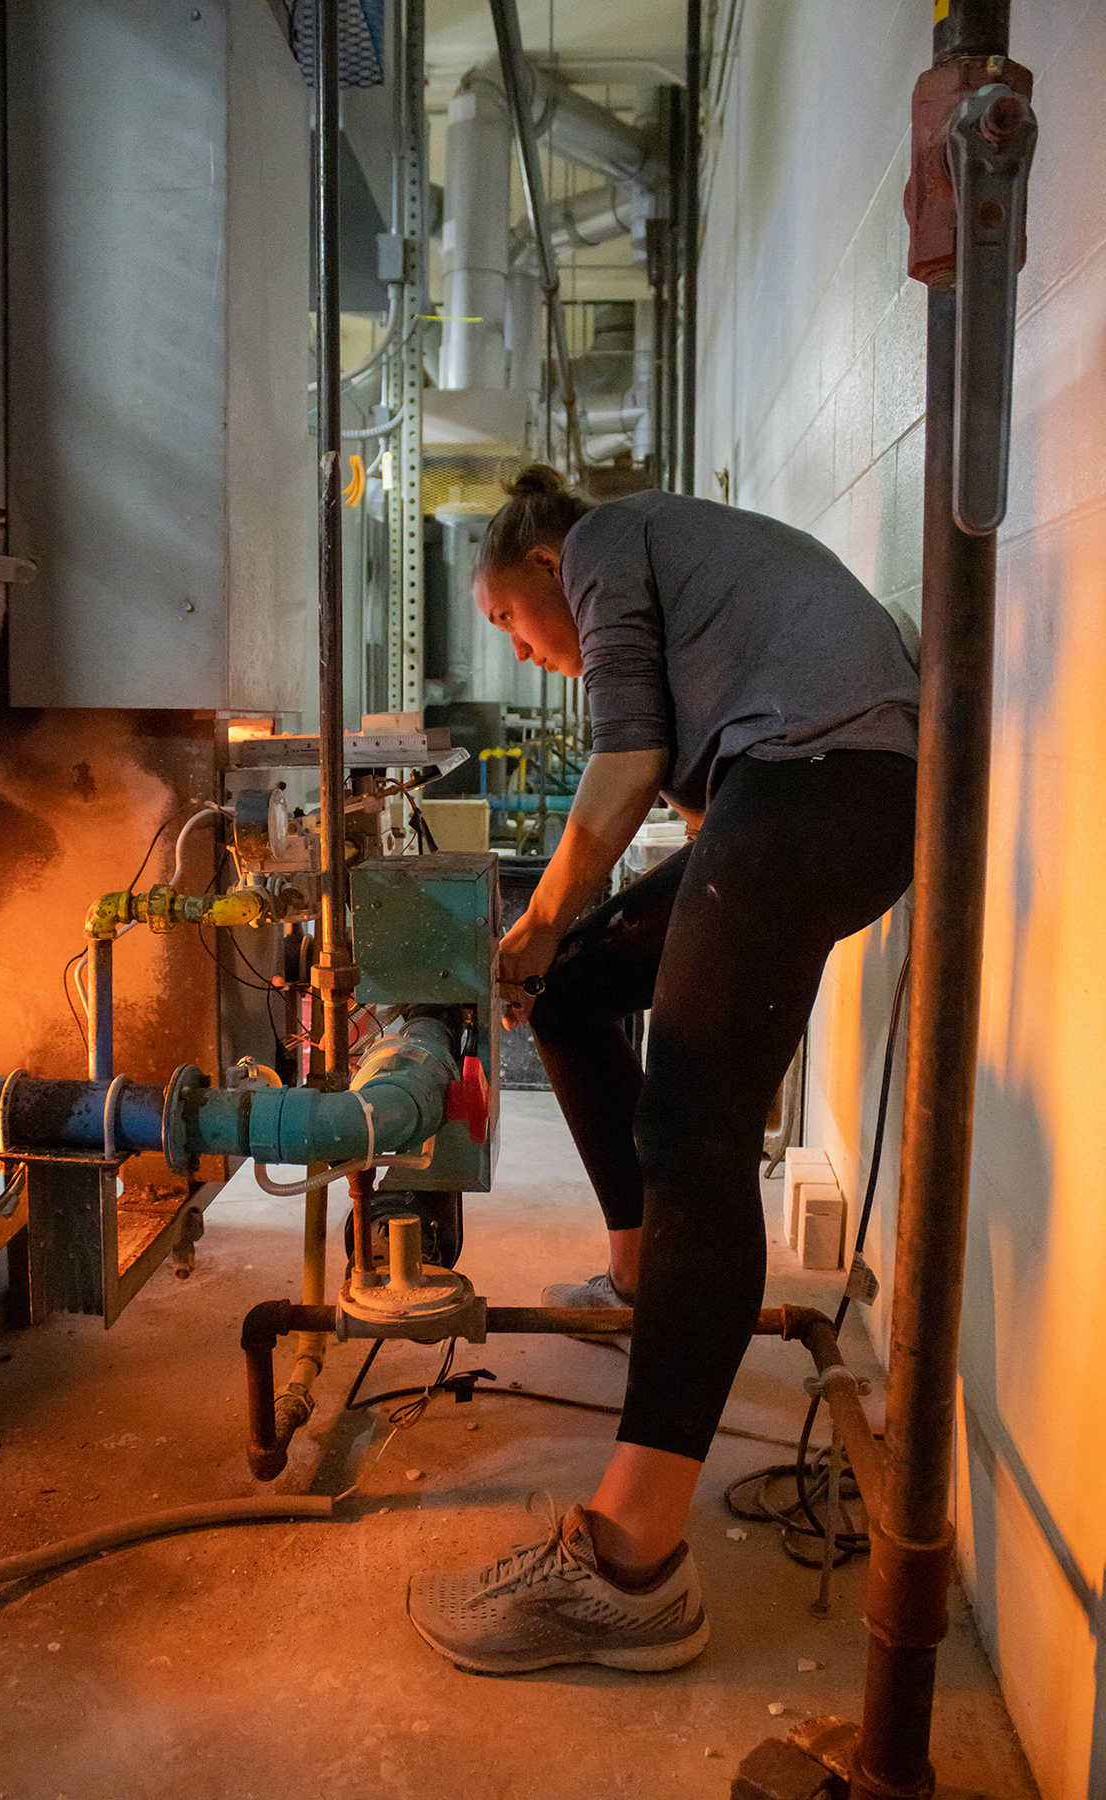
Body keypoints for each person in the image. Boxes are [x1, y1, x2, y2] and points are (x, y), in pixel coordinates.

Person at [407, 466, 919, 1675]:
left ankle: (632, 1565)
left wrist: (529, 926)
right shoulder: (664, 553)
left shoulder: (603, 543)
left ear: (545, 570)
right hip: (811, 787)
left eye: (505, 622)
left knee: (691, 1128)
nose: (524, 649)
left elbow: (628, 758)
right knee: (580, 988)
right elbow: (680, 777)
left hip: (830, 786)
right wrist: (569, 941)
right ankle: (642, 1273)